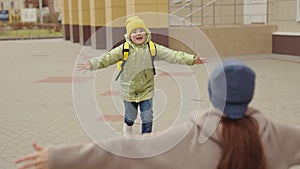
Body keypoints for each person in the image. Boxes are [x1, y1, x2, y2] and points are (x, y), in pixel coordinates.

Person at [15, 59, 300, 169]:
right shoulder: (278, 136)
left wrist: (59, 156)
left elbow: (125, 148)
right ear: (249, 94)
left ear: (212, 94)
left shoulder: (189, 138)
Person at [77, 16, 205, 136]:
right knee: (131, 115)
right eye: (134, 32)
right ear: (129, 36)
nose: (138, 34)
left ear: (146, 33)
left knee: (147, 116)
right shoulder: (123, 49)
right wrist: (92, 64)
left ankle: (145, 140)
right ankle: (128, 126)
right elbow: (107, 58)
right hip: (129, 89)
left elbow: (172, 55)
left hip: (146, 89)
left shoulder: (152, 47)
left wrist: (192, 60)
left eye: (141, 30)